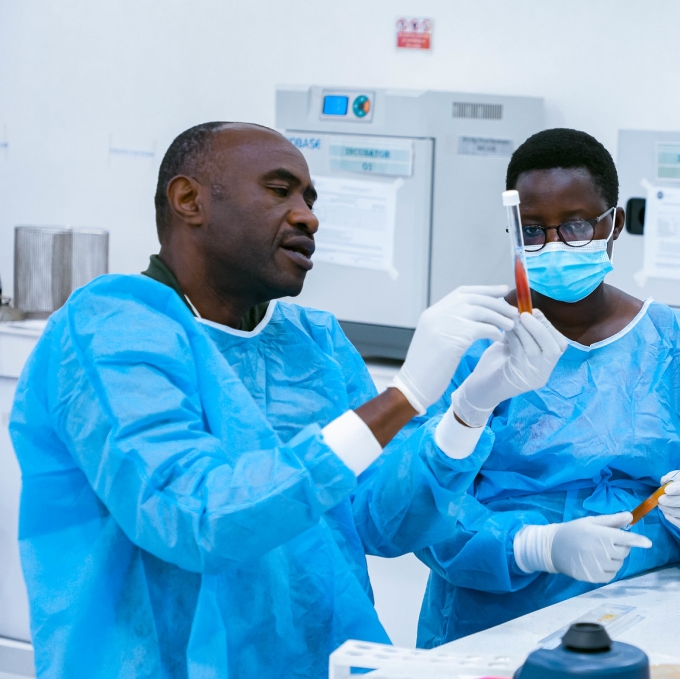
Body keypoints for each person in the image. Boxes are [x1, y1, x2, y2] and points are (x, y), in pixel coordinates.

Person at [9, 121, 567, 678]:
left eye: (310, 198)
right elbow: (198, 516)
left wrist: (470, 409)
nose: (308, 215)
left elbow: (376, 519)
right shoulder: (112, 330)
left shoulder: (312, 341)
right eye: (280, 191)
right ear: (189, 200)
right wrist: (404, 395)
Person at [403, 128, 680, 647]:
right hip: (491, 626)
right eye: (535, 231)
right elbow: (421, 503)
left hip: (643, 615)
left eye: (577, 225)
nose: (555, 244)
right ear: (514, 233)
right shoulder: (477, 344)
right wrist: (536, 546)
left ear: (616, 225)